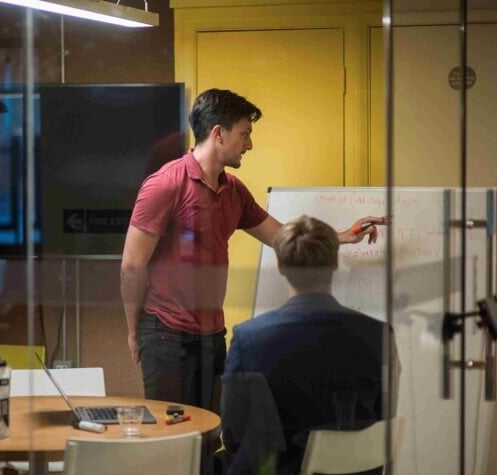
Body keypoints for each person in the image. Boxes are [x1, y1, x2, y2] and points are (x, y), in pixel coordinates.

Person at [120, 88, 386, 411]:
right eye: (245, 134)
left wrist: (343, 235)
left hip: (212, 336)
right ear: (219, 134)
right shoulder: (166, 185)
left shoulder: (234, 191)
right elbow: (132, 266)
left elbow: (282, 237)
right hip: (165, 335)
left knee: (209, 434)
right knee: (170, 440)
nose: (249, 144)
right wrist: (135, 331)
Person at [221, 216, 397, 475]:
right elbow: (384, 416)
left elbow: (234, 433)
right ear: (335, 262)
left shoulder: (248, 340)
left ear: (280, 266)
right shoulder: (380, 335)